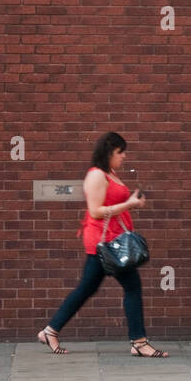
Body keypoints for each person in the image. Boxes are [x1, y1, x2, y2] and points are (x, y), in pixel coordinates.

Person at [37, 132, 168, 357]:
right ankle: (139, 342)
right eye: (120, 152)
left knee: (86, 288)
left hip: (111, 240)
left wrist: (131, 203)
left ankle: (50, 331)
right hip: (105, 243)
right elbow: (96, 211)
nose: (124, 156)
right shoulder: (97, 175)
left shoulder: (110, 173)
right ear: (109, 152)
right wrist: (129, 204)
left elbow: (114, 203)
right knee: (132, 286)